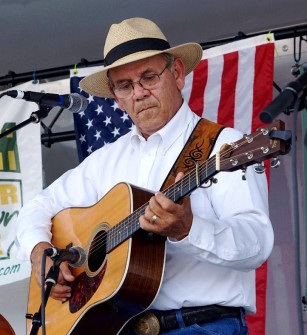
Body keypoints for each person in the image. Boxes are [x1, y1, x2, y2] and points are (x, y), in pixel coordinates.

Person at [15, 17, 274, 335]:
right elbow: (36, 208)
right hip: (120, 327)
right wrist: (41, 252)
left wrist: (188, 229)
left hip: (202, 326)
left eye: (148, 77)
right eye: (125, 85)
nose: (138, 93)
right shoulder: (106, 161)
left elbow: (257, 244)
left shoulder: (223, 146)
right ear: (115, 95)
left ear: (177, 74)